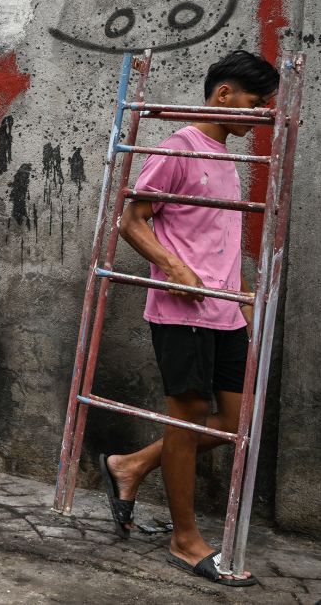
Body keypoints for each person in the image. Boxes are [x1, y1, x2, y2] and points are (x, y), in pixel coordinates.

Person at [100, 50, 279, 587]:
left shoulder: (228, 158)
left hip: (227, 312)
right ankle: (184, 540)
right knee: (187, 416)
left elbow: (217, 235)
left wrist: (244, 292)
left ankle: (129, 465)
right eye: (256, 102)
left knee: (233, 425)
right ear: (224, 94)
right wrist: (173, 266)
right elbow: (130, 218)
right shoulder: (177, 148)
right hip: (182, 312)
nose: (262, 115)